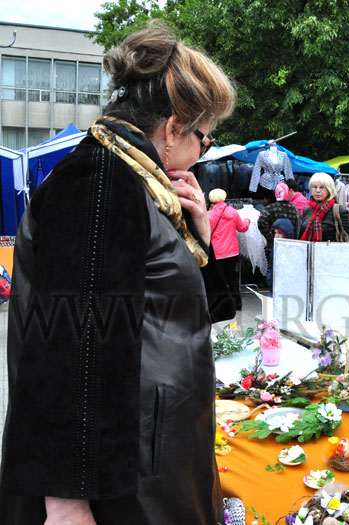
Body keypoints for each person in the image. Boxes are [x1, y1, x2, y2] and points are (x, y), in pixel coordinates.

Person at [0, 24, 236, 524]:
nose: (203, 151)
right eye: (204, 137)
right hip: (126, 482)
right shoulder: (100, 179)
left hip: (147, 455)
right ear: (173, 128)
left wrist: (200, 237)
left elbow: (194, 313)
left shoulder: (139, 184)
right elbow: (64, 343)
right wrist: (67, 504)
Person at [208, 188, 250, 312]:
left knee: (218, 280)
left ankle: (220, 306)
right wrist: (247, 221)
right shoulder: (232, 212)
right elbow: (242, 228)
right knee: (233, 279)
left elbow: (206, 232)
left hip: (217, 253)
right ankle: (237, 304)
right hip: (232, 252)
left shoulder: (209, 214)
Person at [300, 172, 349, 242]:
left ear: (329, 190)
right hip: (309, 249)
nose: (318, 191)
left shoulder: (339, 211)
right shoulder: (307, 210)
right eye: (315, 187)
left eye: (322, 187)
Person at [257, 182, 301, 258]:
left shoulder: (270, 208)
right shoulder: (295, 209)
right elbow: (298, 227)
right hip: (290, 246)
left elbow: (261, 222)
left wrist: (270, 238)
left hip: (273, 246)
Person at [265, 218, 295, 291]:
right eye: (275, 233)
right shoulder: (275, 249)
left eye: (279, 233)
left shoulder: (293, 251)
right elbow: (271, 267)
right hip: (273, 286)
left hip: (287, 288)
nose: (276, 236)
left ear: (287, 233)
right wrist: (269, 280)